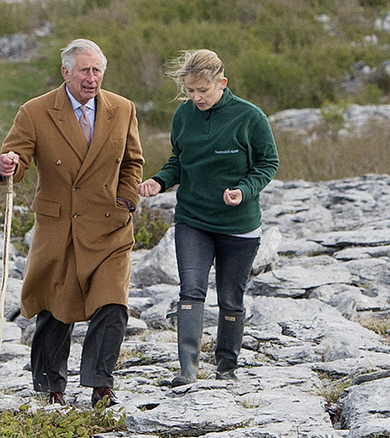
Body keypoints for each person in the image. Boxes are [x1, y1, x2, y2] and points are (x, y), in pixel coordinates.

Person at [0, 39, 144, 407]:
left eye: (97, 71)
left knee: (113, 303)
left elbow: (132, 162)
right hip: (59, 227)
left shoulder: (122, 109)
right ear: (66, 72)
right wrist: (7, 167)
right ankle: (50, 389)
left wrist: (127, 199)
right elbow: (16, 157)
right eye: (84, 71)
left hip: (110, 225)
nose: (91, 78)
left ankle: (101, 386)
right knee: (55, 307)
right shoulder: (35, 111)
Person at [137, 49, 278, 385]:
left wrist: (244, 189)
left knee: (230, 297)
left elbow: (268, 163)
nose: (196, 97)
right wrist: (159, 181)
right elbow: (178, 162)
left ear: (222, 83)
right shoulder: (184, 116)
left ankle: (227, 367)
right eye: (190, 91)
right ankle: (187, 370)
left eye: (203, 90)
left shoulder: (250, 117)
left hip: (239, 225)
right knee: (191, 290)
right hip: (193, 219)